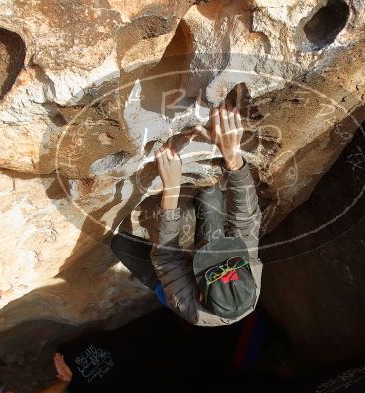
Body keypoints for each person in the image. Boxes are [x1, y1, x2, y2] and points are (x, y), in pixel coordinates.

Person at [111, 103, 262, 326]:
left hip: (173, 284)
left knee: (120, 244)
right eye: (226, 260)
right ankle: (210, 244)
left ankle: (158, 279)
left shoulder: (186, 303)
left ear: (200, 292)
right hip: (211, 272)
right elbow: (246, 219)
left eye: (209, 264)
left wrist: (171, 189)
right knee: (209, 195)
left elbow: (166, 257)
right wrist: (233, 159)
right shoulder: (250, 275)